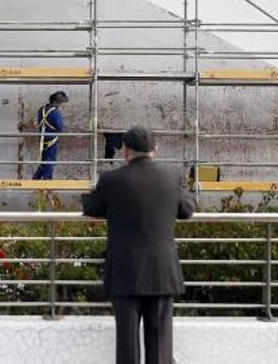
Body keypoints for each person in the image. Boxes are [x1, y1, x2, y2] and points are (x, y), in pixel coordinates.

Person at [82, 126, 195, 364]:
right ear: (155, 149)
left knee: (127, 345)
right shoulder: (172, 177)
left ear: (126, 151)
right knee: (160, 347)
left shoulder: (111, 179)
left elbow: (91, 207)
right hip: (161, 272)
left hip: (124, 272)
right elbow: (186, 210)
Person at [32, 91, 68, 180]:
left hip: (42, 139)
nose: (61, 105)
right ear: (56, 102)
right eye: (60, 102)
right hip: (52, 140)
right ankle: (47, 184)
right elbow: (60, 128)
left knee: (44, 162)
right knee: (49, 162)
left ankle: (35, 181)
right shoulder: (56, 113)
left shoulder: (42, 109)